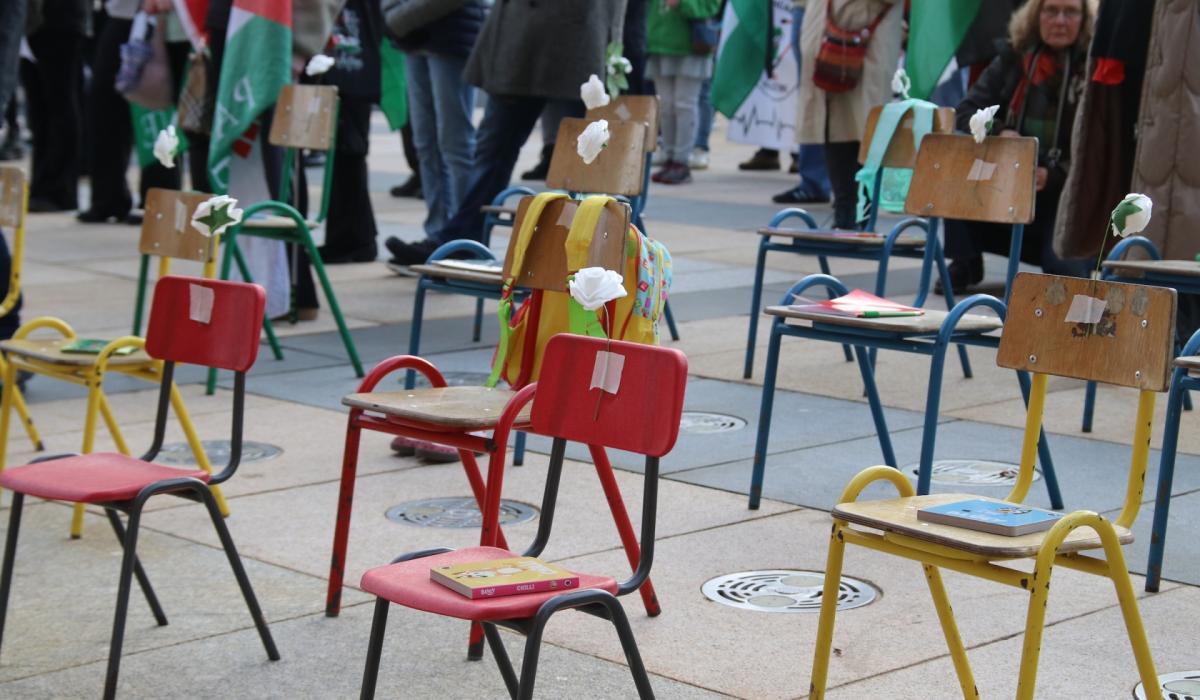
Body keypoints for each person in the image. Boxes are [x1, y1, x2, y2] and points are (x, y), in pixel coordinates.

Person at [385, 0, 627, 268]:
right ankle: (461, 241)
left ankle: (577, 259)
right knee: (491, 153)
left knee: (580, 164)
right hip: (524, 45)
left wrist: (612, 50)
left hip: (575, 40)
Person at [938, 0, 1095, 294]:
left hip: (1065, 198)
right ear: (1036, 16)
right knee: (956, 164)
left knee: (1065, 275)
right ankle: (966, 259)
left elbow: (1100, 150)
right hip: (1009, 187)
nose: (1059, 21)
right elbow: (966, 111)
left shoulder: (1093, 66)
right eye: (1051, 11)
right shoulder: (1015, 56)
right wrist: (1000, 133)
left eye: (1070, 12)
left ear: (1084, 20)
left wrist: (1053, 175)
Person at [796, 0, 902, 229]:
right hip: (825, 39)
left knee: (864, 130)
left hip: (866, 41)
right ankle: (844, 213)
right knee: (833, 128)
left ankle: (861, 217)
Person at [385, 1, 485, 240]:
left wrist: (397, 16)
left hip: (451, 34)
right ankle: (438, 232)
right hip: (414, 38)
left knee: (456, 144)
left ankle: (465, 236)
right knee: (426, 143)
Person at [22, 0, 92, 213]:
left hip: (61, 17)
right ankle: (42, 185)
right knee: (39, 110)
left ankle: (60, 190)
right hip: (33, 20)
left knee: (61, 104)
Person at [647, 0, 722, 185]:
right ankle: (670, 156)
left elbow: (711, 6)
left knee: (684, 104)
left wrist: (684, 3)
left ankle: (681, 161)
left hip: (691, 45)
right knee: (665, 105)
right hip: (658, 41)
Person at [773, 0, 830, 204]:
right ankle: (815, 181)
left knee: (829, 97)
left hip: (840, 11)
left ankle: (846, 188)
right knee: (810, 97)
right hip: (807, 8)